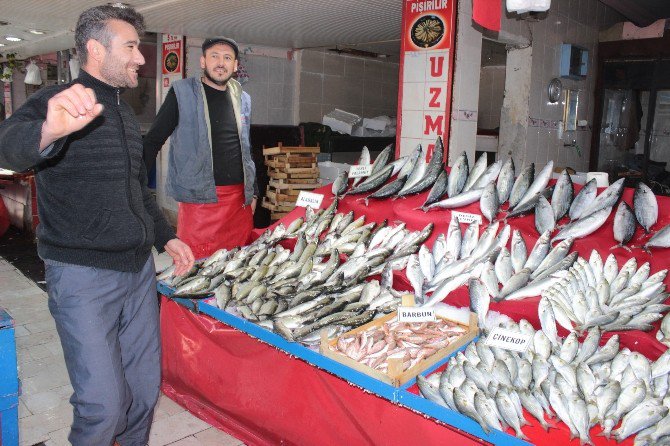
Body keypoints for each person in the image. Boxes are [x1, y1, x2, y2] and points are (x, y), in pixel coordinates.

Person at [0, 5, 195, 445]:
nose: (141, 59)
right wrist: (49, 132)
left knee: (143, 393)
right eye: (130, 47)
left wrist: (167, 236)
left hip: (137, 271)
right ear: (94, 48)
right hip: (83, 276)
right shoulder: (59, 101)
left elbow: (134, 189)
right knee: (103, 407)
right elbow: (9, 147)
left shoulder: (121, 111)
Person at [143, 36, 258, 259]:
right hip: (199, 201)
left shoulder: (243, 98)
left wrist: (255, 191)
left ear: (235, 65)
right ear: (203, 61)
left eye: (227, 58)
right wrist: (134, 182)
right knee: (194, 266)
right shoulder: (182, 93)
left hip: (238, 200)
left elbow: (246, 148)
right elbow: (153, 140)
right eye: (214, 56)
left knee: (236, 266)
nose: (221, 63)